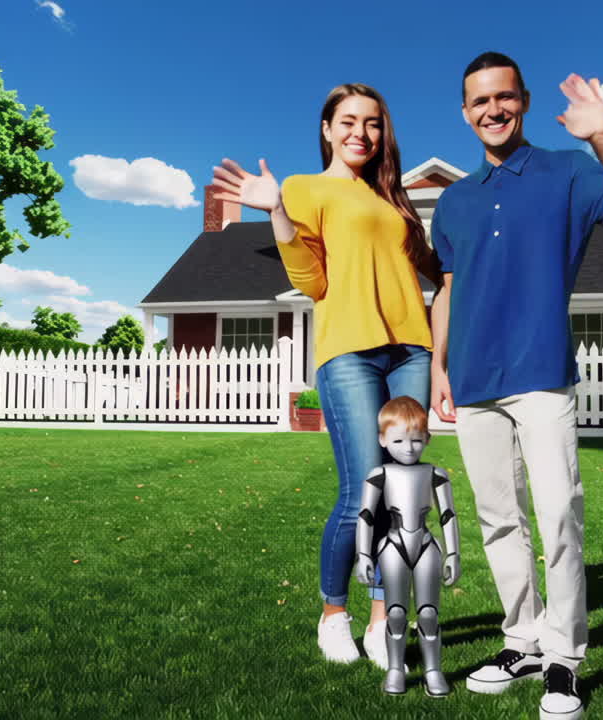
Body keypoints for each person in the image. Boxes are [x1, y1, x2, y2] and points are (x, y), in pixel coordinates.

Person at [428, 52, 603, 720]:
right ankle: (522, 641)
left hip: (541, 372)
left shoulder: (569, 171)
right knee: (499, 520)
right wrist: (439, 364)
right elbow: (446, 287)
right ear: (465, 112)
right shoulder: (454, 200)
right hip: (471, 379)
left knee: (558, 514)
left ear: (521, 101)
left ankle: (563, 659)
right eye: (479, 102)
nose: (492, 110)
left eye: (503, 98)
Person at [211, 83, 440, 670]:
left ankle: (378, 618)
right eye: (349, 121)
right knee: (361, 491)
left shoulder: (394, 197)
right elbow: (311, 283)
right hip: (350, 351)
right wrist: (279, 212)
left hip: (411, 349)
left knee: (401, 496)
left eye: (372, 123)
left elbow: (435, 275)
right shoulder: (303, 188)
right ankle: (333, 613)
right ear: (326, 127)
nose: (361, 133)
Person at [354, 396, 461, 697]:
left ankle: (433, 671)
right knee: (396, 612)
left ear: (427, 438)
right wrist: (363, 554)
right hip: (393, 545)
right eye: (399, 440)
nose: (409, 447)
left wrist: (453, 553)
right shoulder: (379, 475)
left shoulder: (437, 474)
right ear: (383, 439)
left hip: (426, 544)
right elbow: (366, 515)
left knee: (429, 613)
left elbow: (448, 514)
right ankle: (395, 669)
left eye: (416, 440)